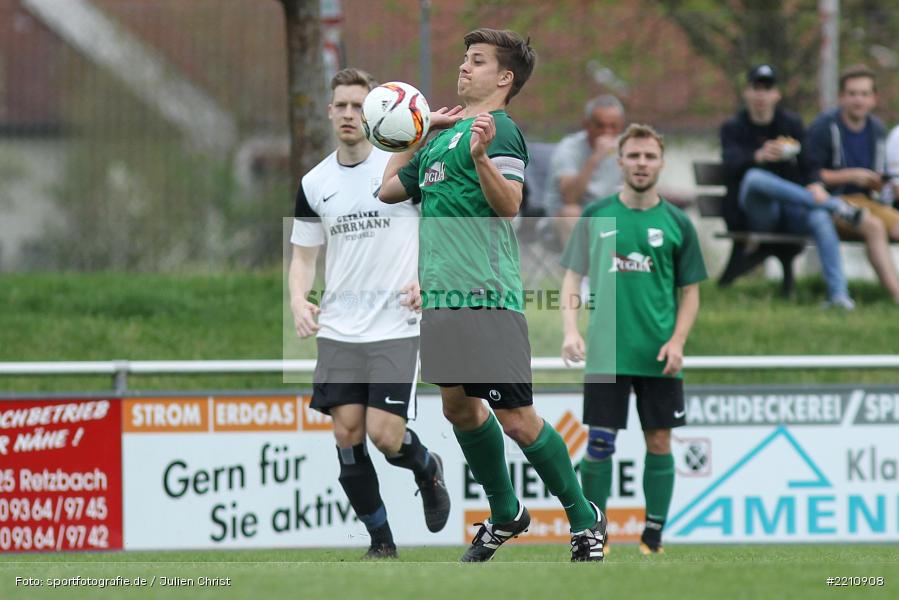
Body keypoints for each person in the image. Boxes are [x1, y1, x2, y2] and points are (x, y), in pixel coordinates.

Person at [379, 28, 607, 563]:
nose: (464, 67)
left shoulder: (498, 131)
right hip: (441, 300)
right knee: (459, 407)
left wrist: (481, 157)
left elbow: (511, 206)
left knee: (518, 419)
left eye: (476, 61)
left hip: (487, 297)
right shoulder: (442, 135)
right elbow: (386, 190)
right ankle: (506, 514)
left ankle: (584, 519)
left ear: (504, 78)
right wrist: (416, 132)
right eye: (464, 59)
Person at [288, 67, 450, 560]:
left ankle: (426, 467)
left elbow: (441, 228)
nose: (348, 113)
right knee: (346, 433)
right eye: (340, 105)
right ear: (329, 111)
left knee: (385, 435)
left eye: (358, 105)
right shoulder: (315, 182)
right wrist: (298, 298)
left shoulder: (400, 171)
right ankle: (381, 544)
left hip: (395, 325)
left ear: (376, 112)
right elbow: (303, 256)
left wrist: (428, 277)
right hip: (339, 328)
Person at [560, 124, 708, 555]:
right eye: (634, 156)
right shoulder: (597, 215)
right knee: (600, 445)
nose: (641, 163)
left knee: (659, 442)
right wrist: (570, 330)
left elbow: (691, 292)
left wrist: (678, 340)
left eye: (649, 156)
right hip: (607, 352)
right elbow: (573, 276)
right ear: (619, 161)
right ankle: (595, 535)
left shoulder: (678, 223)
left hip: (659, 354)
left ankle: (653, 538)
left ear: (661, 162)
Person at [720, 64, 859, 308]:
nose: (762, 94)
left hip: (792, 209)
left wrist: (815, 184)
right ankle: (834, 205)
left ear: (777, 94)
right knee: (755, 177)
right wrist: (758, 156)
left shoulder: (791, 124)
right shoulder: (733, 127)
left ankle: (839, 296)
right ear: (747, 93)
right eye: (756, 88)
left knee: (819, 217)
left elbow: (809, 164)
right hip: (758, 214)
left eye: (768, 88)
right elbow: (730, 164)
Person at [805, 64, 899, 304]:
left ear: (874, 98)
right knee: (874, 226)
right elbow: (810, 176)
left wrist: (879, 182)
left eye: (865, 94)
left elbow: (877, 177)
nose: (859, 100)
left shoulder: (876, 129)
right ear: (841, 97)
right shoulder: (824, 128)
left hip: (866, 201)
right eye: (853, 93)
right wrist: (849, 176)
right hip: (831, 202)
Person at [544, 95, 625, 243]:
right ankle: (578, 266)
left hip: (608, 216)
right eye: (600, 125)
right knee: (571, 214)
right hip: (567, 217)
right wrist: (595, 158)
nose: (607, 132)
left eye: (613, 126)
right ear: (587, 124)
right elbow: (570, 198)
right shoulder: (569, 148)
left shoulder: (626, 149)